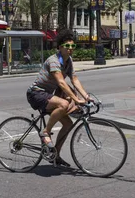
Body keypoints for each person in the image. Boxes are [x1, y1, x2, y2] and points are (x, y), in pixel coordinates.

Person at [26, 30, 90, 167]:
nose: (70, 49)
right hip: (36, 94)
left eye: (73, 47)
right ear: (60, 47)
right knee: (63, 104)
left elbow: (74, 79)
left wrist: (85, 96)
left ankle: (55, 155)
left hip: (48, 95)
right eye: (67, 46)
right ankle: (45, 132)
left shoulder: (68, 61)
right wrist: (76, 99)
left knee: (68, 124)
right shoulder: (54, 61)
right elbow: (61, 82)